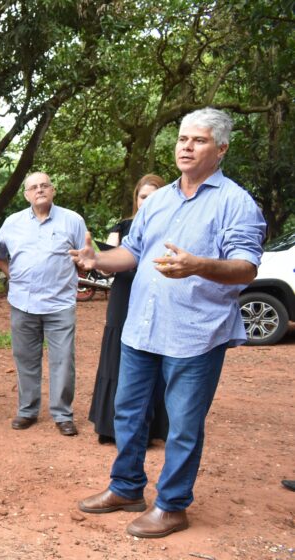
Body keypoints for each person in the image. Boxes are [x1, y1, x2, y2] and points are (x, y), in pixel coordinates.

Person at [73, 108, 266, 538]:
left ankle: (172, 505)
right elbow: (134, 253)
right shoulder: (159, 200)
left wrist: (198, 266)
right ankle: (126, 488)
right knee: (127, 413)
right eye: (182, 139)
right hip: (143, 327)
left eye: (198, 140)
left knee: (182, 425)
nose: (186, 146)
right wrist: (97, 260)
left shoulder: (236, 202)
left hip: (196, 333)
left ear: (221, 149)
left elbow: (246, 268)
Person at [0, 172, 87, 437]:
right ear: (26, 195)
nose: (40, 190)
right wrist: (13, 275)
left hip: (60, 304)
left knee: (63, 360)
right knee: (25, 360)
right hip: (23, 303)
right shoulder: (13, 222)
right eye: (34, 187)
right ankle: (27, 410)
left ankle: (63, 414)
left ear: (53, 190)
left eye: (45, 185)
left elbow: (85, 256)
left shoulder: (72, 220)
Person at [88, 174, 168, 444]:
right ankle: (109, 426)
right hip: (124, 296)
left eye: (154, 196)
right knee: (116, 358)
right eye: (143, 196)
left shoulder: (171, 227)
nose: (147, 201)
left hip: (157, 297)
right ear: (136, 198)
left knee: (151, 361)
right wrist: (96, 261)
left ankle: (148, 429)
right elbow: (106, 266)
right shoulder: (122, 227)